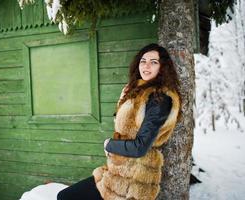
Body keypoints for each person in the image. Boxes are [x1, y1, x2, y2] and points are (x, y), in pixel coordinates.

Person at [57, 43, 182, 200]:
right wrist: (124, 99)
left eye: (154, 62)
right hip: (116, 171)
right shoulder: (139, 91)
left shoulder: (160, 98)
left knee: (66, 197)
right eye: (143, 61)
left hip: (134, 180)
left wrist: (109, 144)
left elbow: (140, 147)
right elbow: (127, 126)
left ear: (162, 67)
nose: (146, 66)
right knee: (65, 196)